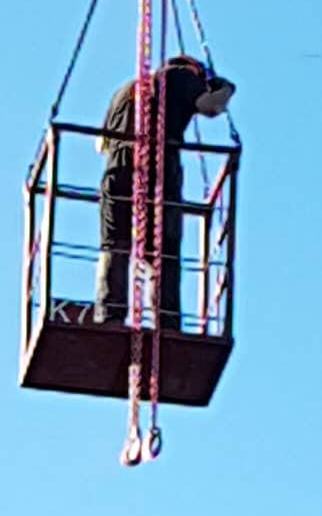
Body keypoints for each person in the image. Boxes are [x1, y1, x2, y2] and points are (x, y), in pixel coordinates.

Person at [94, 55, 235, 329]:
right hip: (157, 167)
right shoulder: (180, 76)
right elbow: (210, 106)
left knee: (115, 241)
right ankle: (166, 321)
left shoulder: (128, 89)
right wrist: (226, 89)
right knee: (163, 248)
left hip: (117, 168)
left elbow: (100, 144)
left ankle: (109, 315)